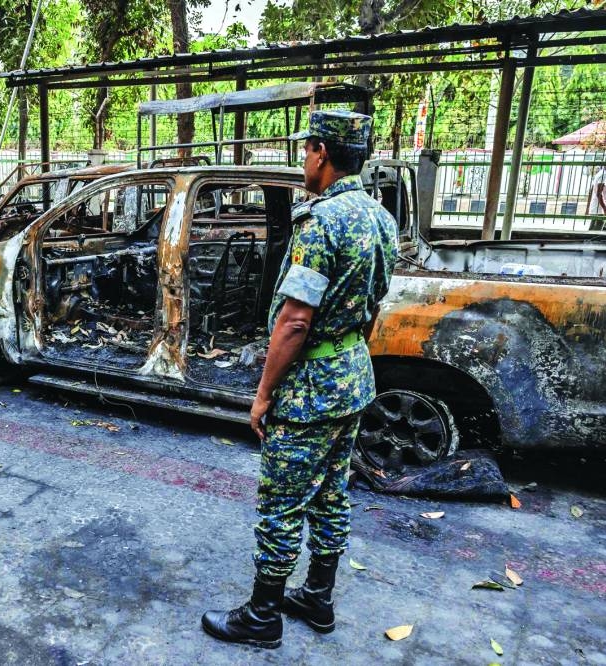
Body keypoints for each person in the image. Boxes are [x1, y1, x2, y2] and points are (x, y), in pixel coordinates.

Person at [201, 110, 398, 649]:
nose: (303, 160)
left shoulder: (322, 223)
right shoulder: (381, 219)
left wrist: (263, 394)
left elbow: (294, 320)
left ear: (322, 154)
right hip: (354, 376)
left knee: (281, 501)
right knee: (332, 492)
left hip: (310, 388)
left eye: (306, 150)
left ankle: (262, 616)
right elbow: (372, 303)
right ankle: (318, 596)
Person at [589, 164, 606, 231]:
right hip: (599, 208)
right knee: (596, 232)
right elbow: (599, 193)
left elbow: (592, 190)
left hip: (597, 206)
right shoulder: (603, 174)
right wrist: (604, 208)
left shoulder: (601, 173)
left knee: (594, 230)